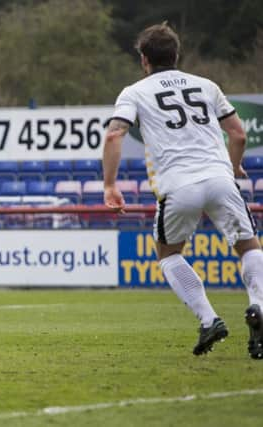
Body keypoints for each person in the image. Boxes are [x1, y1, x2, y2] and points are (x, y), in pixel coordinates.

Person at [103, 22, 263, 359]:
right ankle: (258, 304)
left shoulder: (134, 92)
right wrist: (232, 168)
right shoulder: (206, 85)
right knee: (248, 246)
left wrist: (109, 185)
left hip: (178, 186)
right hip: (220, 180)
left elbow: (114, 135)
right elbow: (237, 134)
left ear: (144, 58)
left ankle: (209, 320)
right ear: (176, 54)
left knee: (169, 254)